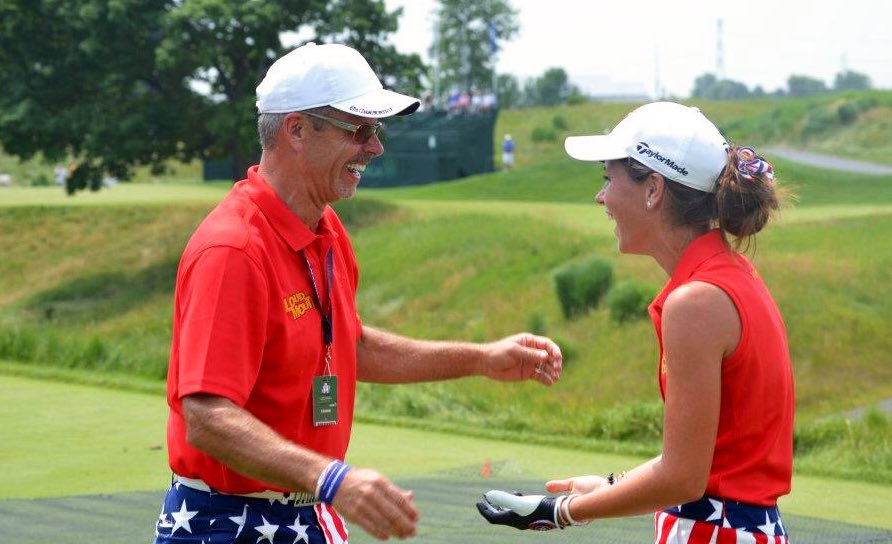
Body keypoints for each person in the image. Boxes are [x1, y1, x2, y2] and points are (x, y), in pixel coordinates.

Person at [152, 42, 563, 544]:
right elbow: (207, 417)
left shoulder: (325, 230)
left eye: (376, 131)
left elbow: (349, 345)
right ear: (297, 130)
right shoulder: (233, 249)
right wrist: (333, 479)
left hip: (306, 513)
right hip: (227, 523)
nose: (375, 147)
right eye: (359, 129)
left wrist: (480, 358)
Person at [477, 102, 794, 543]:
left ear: (653, 190)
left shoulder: (695, 302)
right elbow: (698, 462)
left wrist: (562, 511)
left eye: (608, 178)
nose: (601, 197)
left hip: (713, 531)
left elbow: (684, 479)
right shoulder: (729, 277)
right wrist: (610, 486)